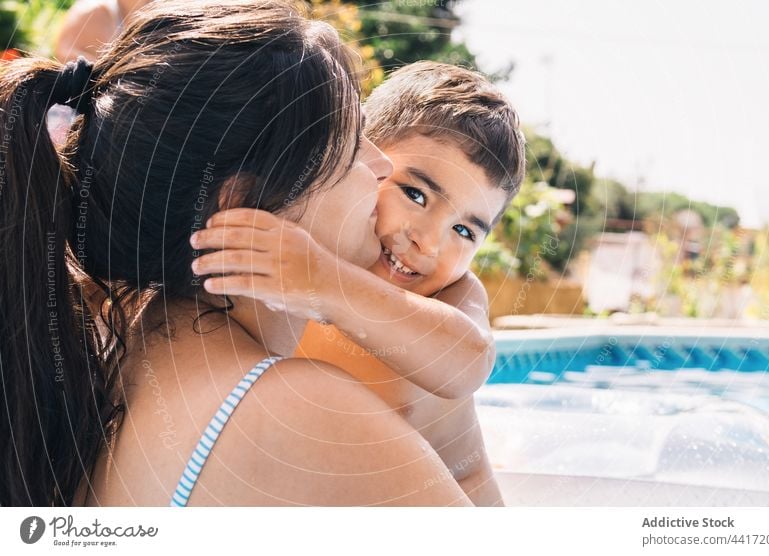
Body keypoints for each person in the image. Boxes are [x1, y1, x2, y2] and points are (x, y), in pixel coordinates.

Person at [0, 0, 472, 507]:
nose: (383, 167)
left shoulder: (114, 352)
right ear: (245, 204)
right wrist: (456, 432)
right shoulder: (303, 414)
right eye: (353, 143)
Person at [190, 62, 526, 506]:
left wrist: (327, 284)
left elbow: (468, 361)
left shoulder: (452, 296)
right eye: (416, 195)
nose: (426, 241)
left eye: (464, 231)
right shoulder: (298, 249)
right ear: (364, 161)